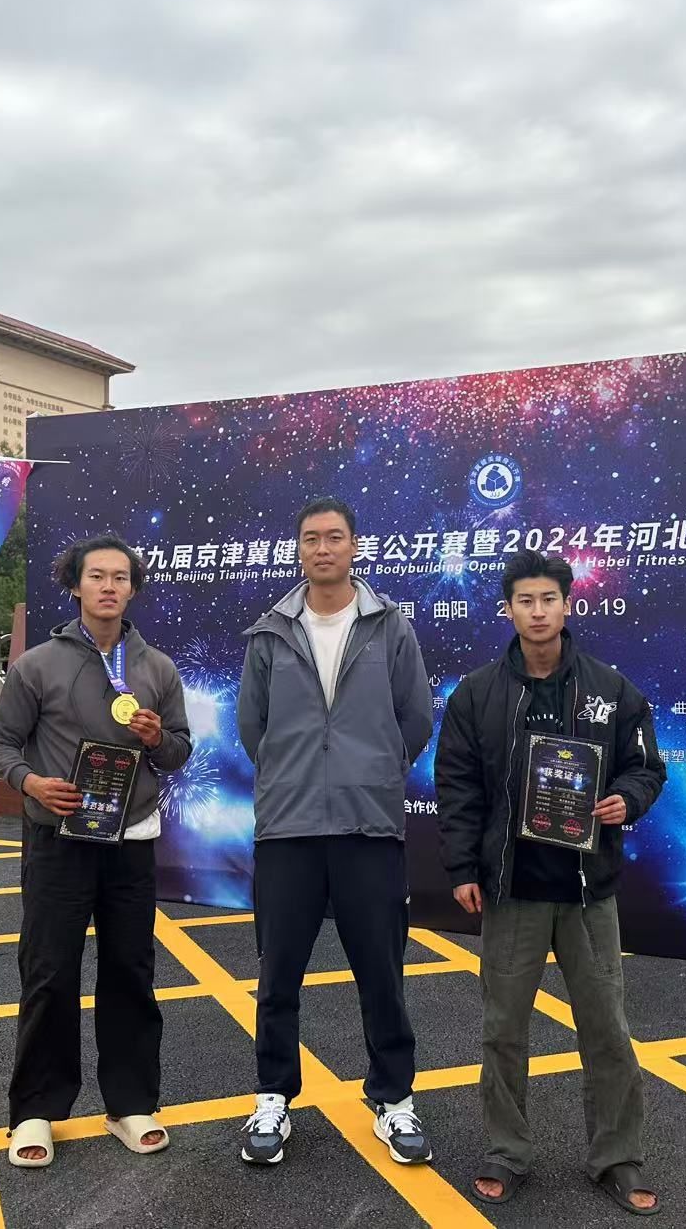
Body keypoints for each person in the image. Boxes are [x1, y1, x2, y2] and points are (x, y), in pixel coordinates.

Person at [435, 549, 666, 1215]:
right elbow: (457, 786)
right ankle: (507, 1151)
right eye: (525, 601)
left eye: (548, 599)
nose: (537, 612)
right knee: (503, 1029)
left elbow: (646, 767)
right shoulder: (478, 693)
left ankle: (617, 1155)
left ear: (567, 605)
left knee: (607, 1028)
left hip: (588, 891)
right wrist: (462, 868)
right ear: (508, 609)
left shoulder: (609, 689)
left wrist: (627, 799)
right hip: (513, 892)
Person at [235, 497, 436, 1166]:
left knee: (381, 974)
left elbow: (415, 718)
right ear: (298, 549)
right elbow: (252, 728)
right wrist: (292, 774)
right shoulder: (270, 633)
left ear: (354, 546)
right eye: (310, 538)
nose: (322, 548)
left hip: (367, 826)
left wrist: (371, 770)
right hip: (287, 830)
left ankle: (393, 1098)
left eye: (334, 537)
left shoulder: (390, 627)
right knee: (277, 976)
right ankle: (272, 1096)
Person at [0, 533, 193, 1169]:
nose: (108, 586)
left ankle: (130, 1104)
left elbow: (179, 752)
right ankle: (36, 1111)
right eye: (96, 576)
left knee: (130, 970)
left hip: (130, 841)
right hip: (59, 839)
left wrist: (157, 739)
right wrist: (31, 784)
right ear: (74, 585)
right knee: (49, 971)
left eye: (120, 577)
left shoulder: (156, 668)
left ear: (133, 589)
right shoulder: (37, 665)